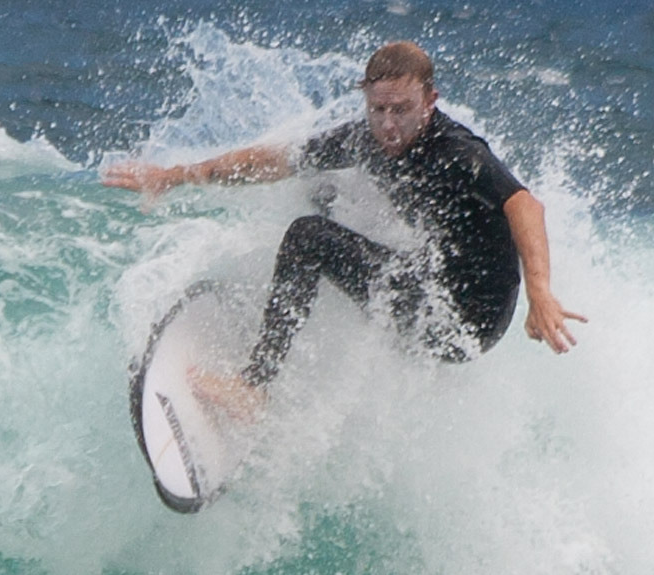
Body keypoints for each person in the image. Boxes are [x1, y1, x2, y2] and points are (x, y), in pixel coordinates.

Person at [103, 41, 585, 417]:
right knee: (321, 191)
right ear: (366, 101)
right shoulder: (367, 140)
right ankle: (273, 325)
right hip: (430, 283)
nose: (389, 125)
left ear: (430, 102)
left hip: (463, 318)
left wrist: (540, 293)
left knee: (309, 236)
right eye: (379, 110)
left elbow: (524, 204)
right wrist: (178, 174)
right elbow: (275, 161)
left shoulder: (456, 152)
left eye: (402, 109)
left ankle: (255, 386)